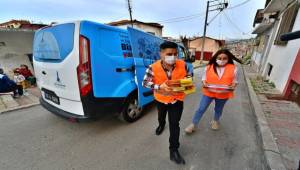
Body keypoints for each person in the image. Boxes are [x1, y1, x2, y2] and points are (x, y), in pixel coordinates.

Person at [142, 41, 191, 165]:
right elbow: (145, 83)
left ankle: (173, 150)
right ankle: (161, 124)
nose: (173, 57)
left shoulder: (183, 64)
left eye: (175, 54)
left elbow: (188, 77)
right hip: (161, 100)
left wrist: (186, 82)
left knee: (175, 124)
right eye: (169, 54)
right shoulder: (152, 67)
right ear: (161, 54)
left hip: (177, 100)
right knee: (161, 116)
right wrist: (159, 86)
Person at [185, 49, 242, 133]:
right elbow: (204, 79)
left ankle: (215, 121)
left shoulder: (234, 68)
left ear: (228, 58)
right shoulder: (209, 67)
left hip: (223, 94)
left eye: (224, 58)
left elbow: (235, 81)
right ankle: (193, 124)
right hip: (209, 92)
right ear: (215, 58)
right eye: (219, 58)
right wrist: (204, 84)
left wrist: (232, 87)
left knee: (218, 109)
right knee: (201, 108)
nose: (222, 60)